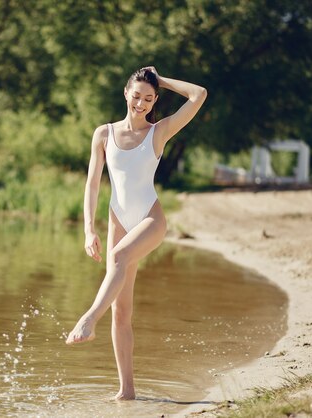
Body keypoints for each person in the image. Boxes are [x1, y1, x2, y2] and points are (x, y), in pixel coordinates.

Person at [65, 66, 207, 400]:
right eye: (136, 96)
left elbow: (199, 95)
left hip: (150, 220)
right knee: (121, 311)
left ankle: (87, 320)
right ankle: (126, 393)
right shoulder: (104, 134)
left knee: (117, 257)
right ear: (126, 93)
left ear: (155, 100)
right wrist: (89, 229)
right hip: (118, 220)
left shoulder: (158, 132)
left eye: (148, 98)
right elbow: (91, 184)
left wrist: (162, 80)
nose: (140, 103)